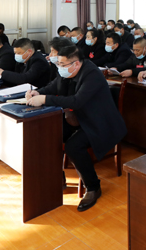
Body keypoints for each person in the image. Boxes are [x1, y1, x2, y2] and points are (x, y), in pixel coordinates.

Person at [27, 45, 127, 212]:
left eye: (63, 65)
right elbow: (54, 86)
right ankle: (57, 179)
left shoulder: (92, 74)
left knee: (73, 147)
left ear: (76, 64)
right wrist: (37, 92)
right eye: (58, 64)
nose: (59, 67)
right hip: (78, 117)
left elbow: (76, 101)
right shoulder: (67, 71)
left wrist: (45, 99)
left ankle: (93, 187)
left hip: (100, 122)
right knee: (50, 134)